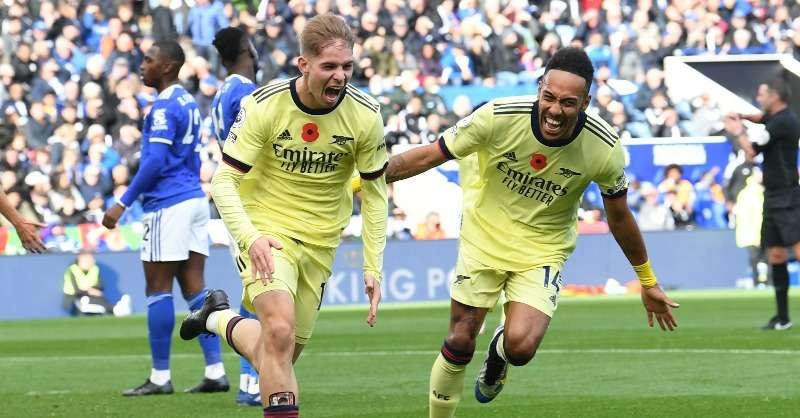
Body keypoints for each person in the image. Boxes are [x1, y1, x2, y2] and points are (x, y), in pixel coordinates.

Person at [382, 47, 679, 417]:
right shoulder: (497, 117)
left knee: (520, 348)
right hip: (483, 237)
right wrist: (366, 179)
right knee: (460, 339)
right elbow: (431, 154)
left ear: (585, 103)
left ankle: (499, 355)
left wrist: (647, 280)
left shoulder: (604, 148)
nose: (555, 110)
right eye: (549, 97)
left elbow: (619, 217)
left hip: (543, 248)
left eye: (568, 103)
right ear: (540, 88)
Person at [180, 14, 388, 418]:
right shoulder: (264, 105)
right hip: (267, 231)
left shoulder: (366, 115)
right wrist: (250, 237)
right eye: (329, 66)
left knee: (279, 354)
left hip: (321, 242)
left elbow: (376, 193)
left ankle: (217, 318)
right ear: (304, 64)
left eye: (347, 67)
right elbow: (223, 183)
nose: (340, 76)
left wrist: (373, 265)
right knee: (277, 331)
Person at [101, 40, 229, 396]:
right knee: (195, 290)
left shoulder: (163, 107)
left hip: (168, 204)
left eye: (148, 59)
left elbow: (155, 161)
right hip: (193, 201)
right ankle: (215, 371)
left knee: (157, 289)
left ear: (169, 66)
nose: (141, 65)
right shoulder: (188, 102)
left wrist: (122, 203)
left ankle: (159, 377)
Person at [210, 26, 262, 407]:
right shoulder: (245, 93)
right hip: (251, 199)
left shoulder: (222, 92)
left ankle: (250, 379)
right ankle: (253, 378)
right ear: (248, 49)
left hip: (235, 198)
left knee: (254, 287)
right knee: (264, 288)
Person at [728, 77, 800, 330]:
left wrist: (737, 130)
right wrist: (744, 116)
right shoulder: (776, 120)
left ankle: (783, 317)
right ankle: (782, 318)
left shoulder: (784, 122)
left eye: (762, 94)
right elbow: (760, 118)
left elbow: (751, 151)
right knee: (776, 253)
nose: (759, 98)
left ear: (775, 96)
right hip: (772, 197)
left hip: (787, 196)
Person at [62, 249, 132, 316]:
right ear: (81, 260)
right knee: (87, 300)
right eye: (88, 259)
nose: (92, 261)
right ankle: (115, 310)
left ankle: (116, 309)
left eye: (91, 259)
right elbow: (76, 290)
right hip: (73, 299)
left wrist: (92, 290)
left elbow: (100, 285)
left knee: (99, 298)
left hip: (90, 295)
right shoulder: (72, 270)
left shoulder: (95, 269)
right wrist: (89, 291)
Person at [0, 188, 46, 253]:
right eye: (12, 198)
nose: (16, 201)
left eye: (17, 199)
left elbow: (31, 221)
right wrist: (20, 224)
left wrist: (24, 225)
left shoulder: (24, 206)